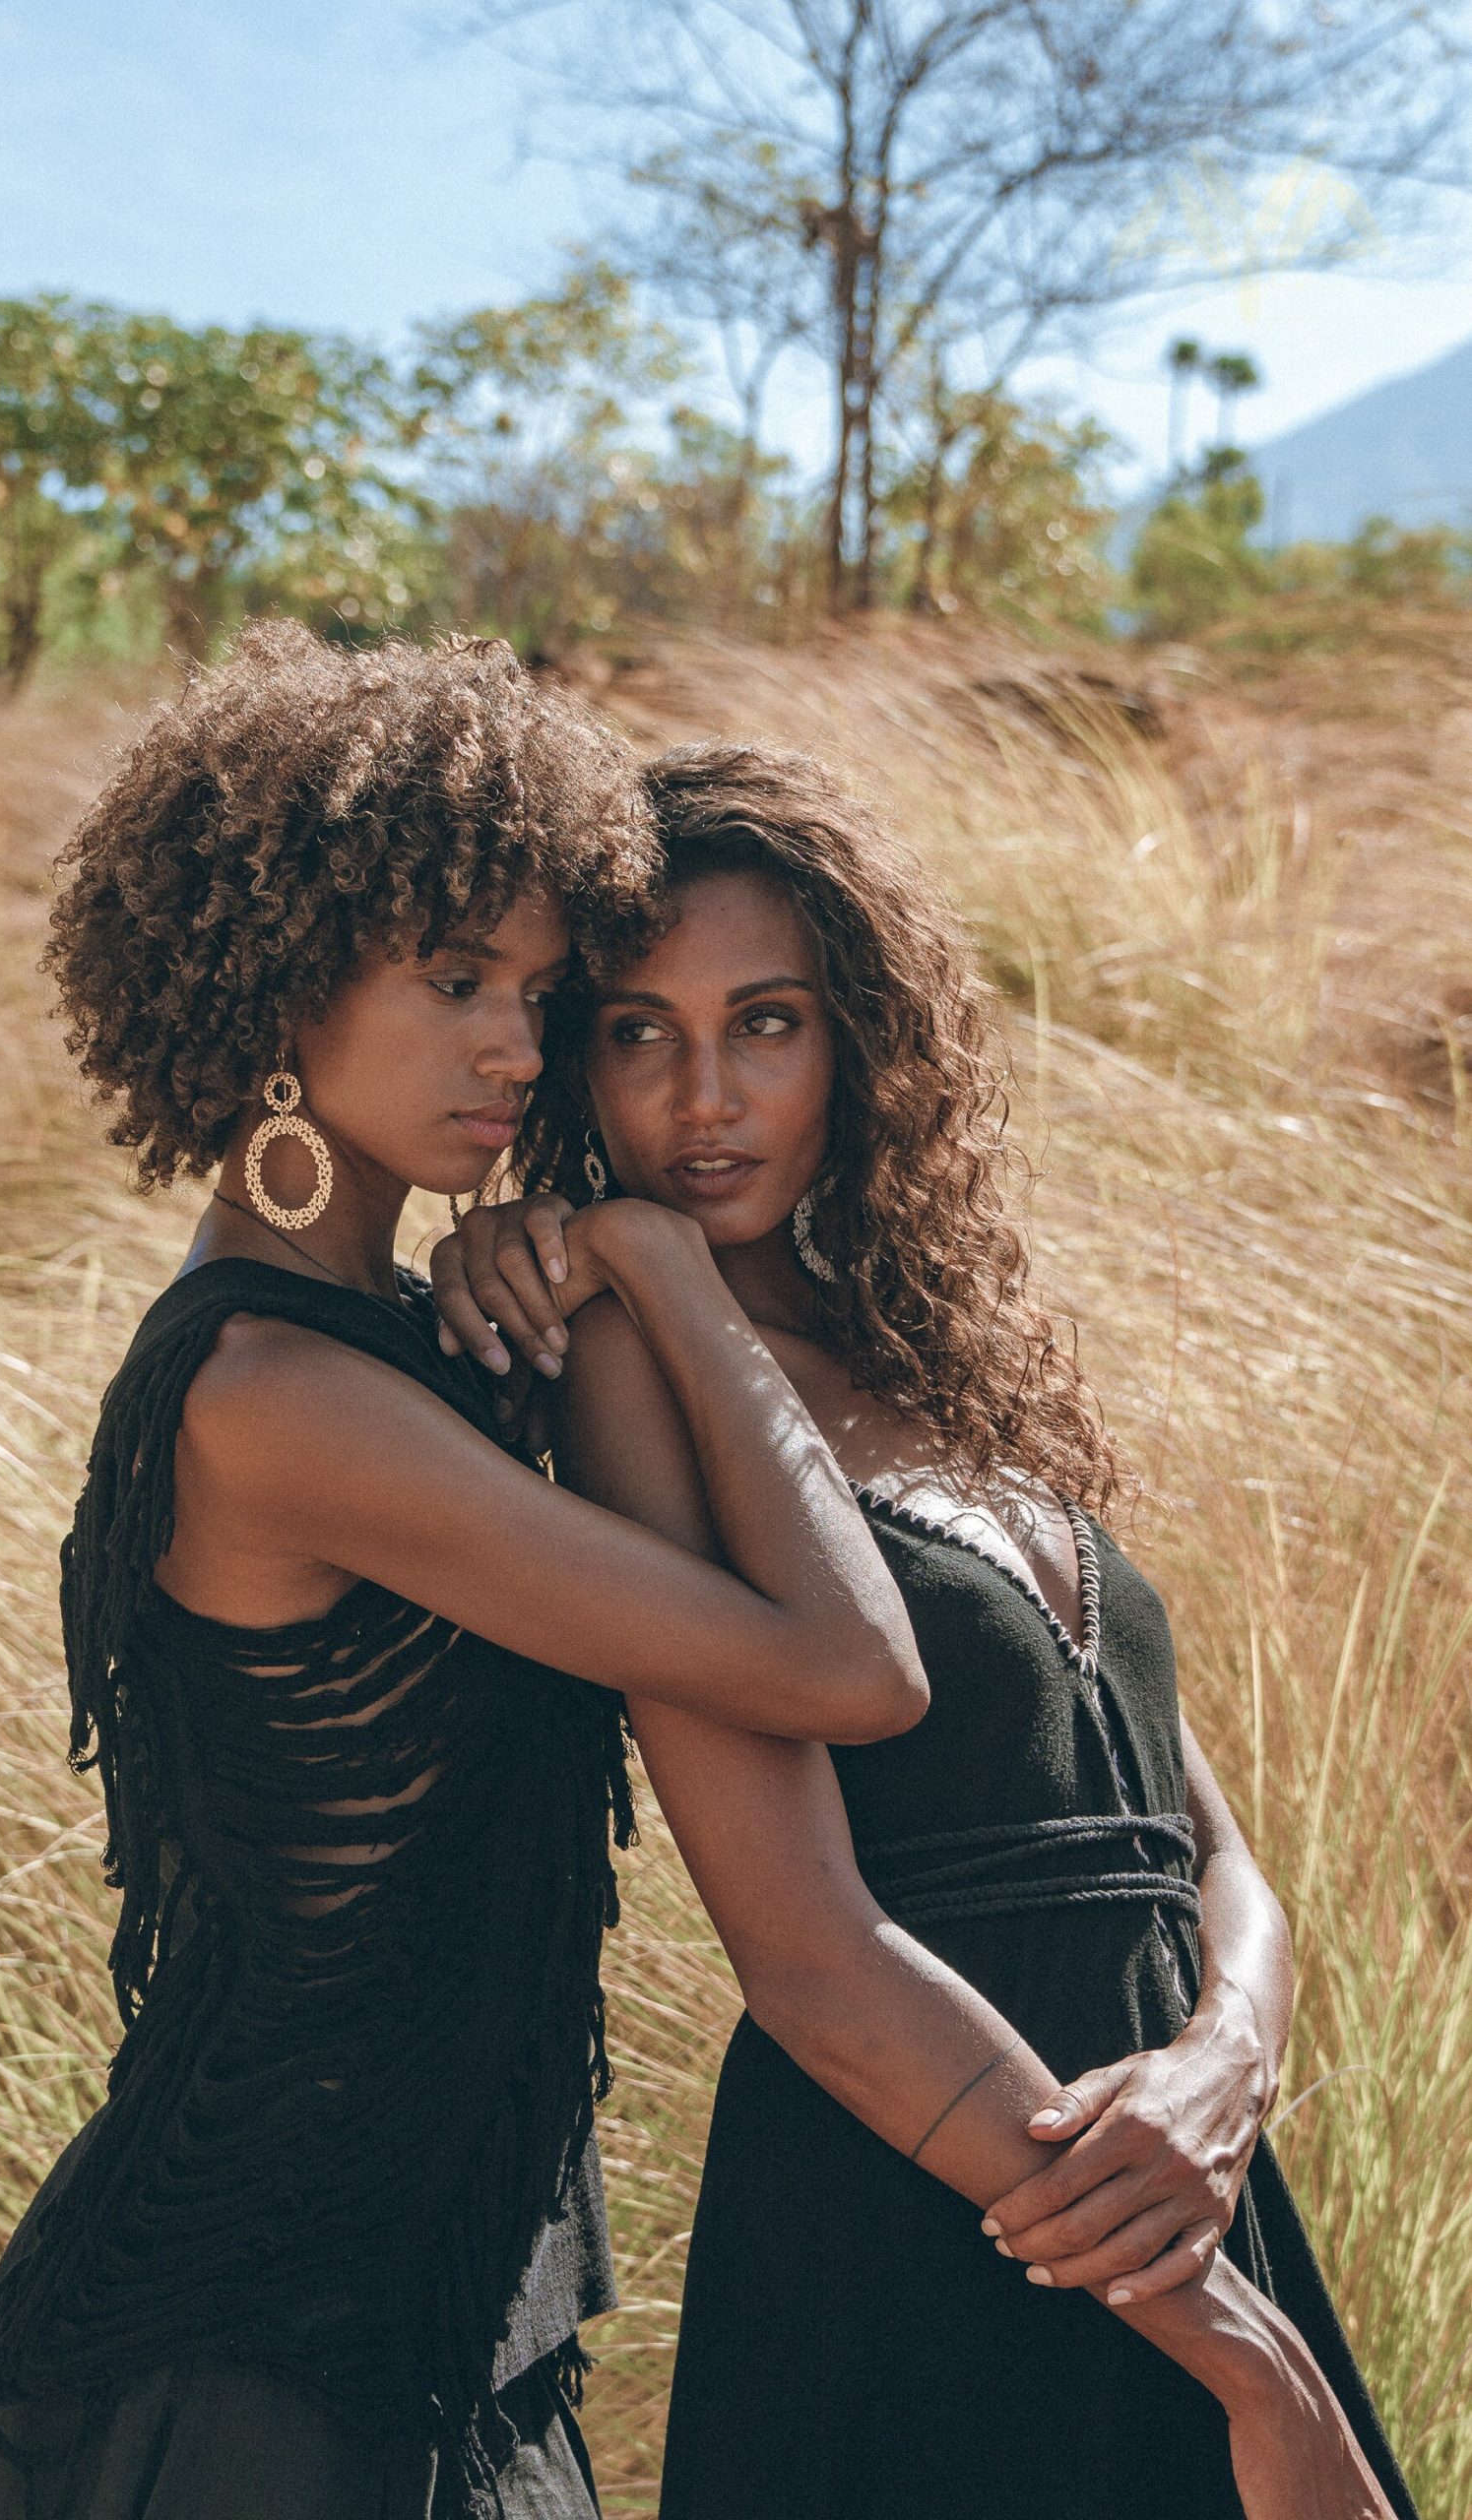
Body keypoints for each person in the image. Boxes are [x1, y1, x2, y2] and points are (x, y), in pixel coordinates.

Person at [0, 635, 928, 2520]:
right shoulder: (278, 1397)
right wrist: (664, 1271)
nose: (518, 1049)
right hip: (246, 2370)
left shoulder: (394, 1340)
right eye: (454, 979)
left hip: (430, 2330)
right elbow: (846, 1669)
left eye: (544, 995)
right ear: (272, 981)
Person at [430, 740, 1418, 2520]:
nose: (705, 1097)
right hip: (937, 2233)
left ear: (860, 1041)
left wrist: (1227, 2060)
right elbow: (807, 1954)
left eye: (768, 1023)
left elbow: (1196, 1839)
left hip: (1176, 2188)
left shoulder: (932, 1342)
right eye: (640, 1033)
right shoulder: (627, 1367)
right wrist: (1243, 2363)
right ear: (578, 1059)